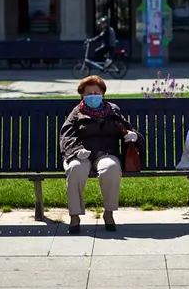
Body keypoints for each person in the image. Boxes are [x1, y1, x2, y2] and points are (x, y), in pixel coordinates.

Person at [59, 75, 143, 234]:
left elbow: (125, 128)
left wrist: (134, 136)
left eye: (96, 93)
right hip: (81, 153)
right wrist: (77, 150)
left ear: (102, 94)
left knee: (111, 168)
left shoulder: (112, 110)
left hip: (106, 153)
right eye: (88, 93)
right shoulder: (77, 112)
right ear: (82, 95)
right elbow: (66, 136)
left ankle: (109, 213)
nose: (92, 96)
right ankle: (75, 216)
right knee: (75, 168)